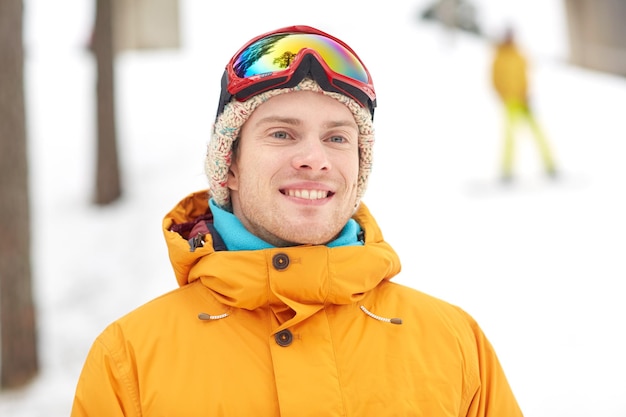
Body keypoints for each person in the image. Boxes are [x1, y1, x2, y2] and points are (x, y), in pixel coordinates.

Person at [71, 25, 523, 416]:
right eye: (282, 133)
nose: (314, 159)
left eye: (337, 137)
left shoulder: (453, 343)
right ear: (229, 163)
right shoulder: (129, 358)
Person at [491, 26, 558, 182]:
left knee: (538, 134)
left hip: (525, 99)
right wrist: (503, 96)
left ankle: (550, 166)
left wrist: (527, 93)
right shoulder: (499, 56)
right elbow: (494, 80)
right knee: (510, 137)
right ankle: (506, 171)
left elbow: (527, 74)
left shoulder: (520, 54)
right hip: (510, 102)